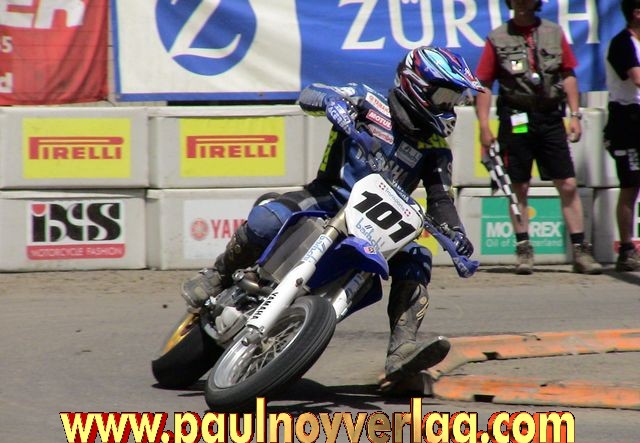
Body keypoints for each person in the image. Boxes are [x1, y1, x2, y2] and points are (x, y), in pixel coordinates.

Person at [181, 47, 483, 383]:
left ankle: (402, 350)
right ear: (416, 85)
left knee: (417, 257)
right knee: (266, 220)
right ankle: (217, 275)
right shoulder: (368, 99)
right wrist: (331, 102)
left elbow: (441, 199)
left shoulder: (435, 148)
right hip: (328, 197)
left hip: (379, 226)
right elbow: (311, 93)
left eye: (454, 99)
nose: (449, 106)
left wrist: (457, 235)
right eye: (444, 96)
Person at [474, 0, 602, 275]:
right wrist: (483, 126)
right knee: (518, 186)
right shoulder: (497, 37)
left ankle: (581, 250)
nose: (522, 3)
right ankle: (524, 250)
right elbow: (483, 83)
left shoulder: (553, 32)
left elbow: (568, 74)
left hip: (550, 118)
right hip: (516, 119)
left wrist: (575, 115)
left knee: (568, 184)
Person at [603, 0, 640, 272]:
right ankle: (626, 249)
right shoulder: (622, 43)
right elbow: (636, 78)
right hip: (628, 121)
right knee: (631, 184)